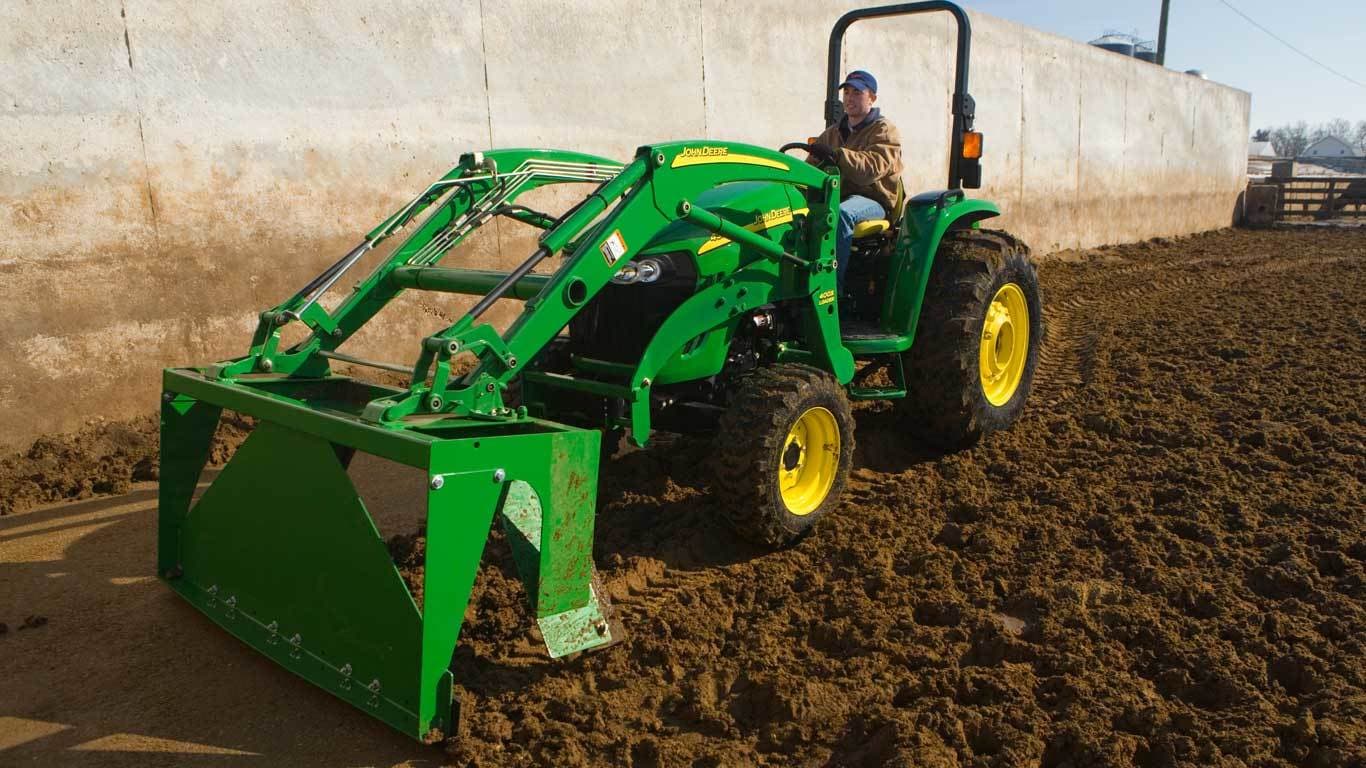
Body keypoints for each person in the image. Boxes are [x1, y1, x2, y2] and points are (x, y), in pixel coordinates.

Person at [807, 70, 904, 291]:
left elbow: (870, 169)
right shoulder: (833, 132)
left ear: (872, 98)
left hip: (873, 200)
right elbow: (811, 166)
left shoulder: (884, 130)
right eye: (847, 92)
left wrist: (838, 155)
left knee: (841, 215)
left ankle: (831, 291)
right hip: (836, 196)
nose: (850, 98)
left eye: (857, 93)